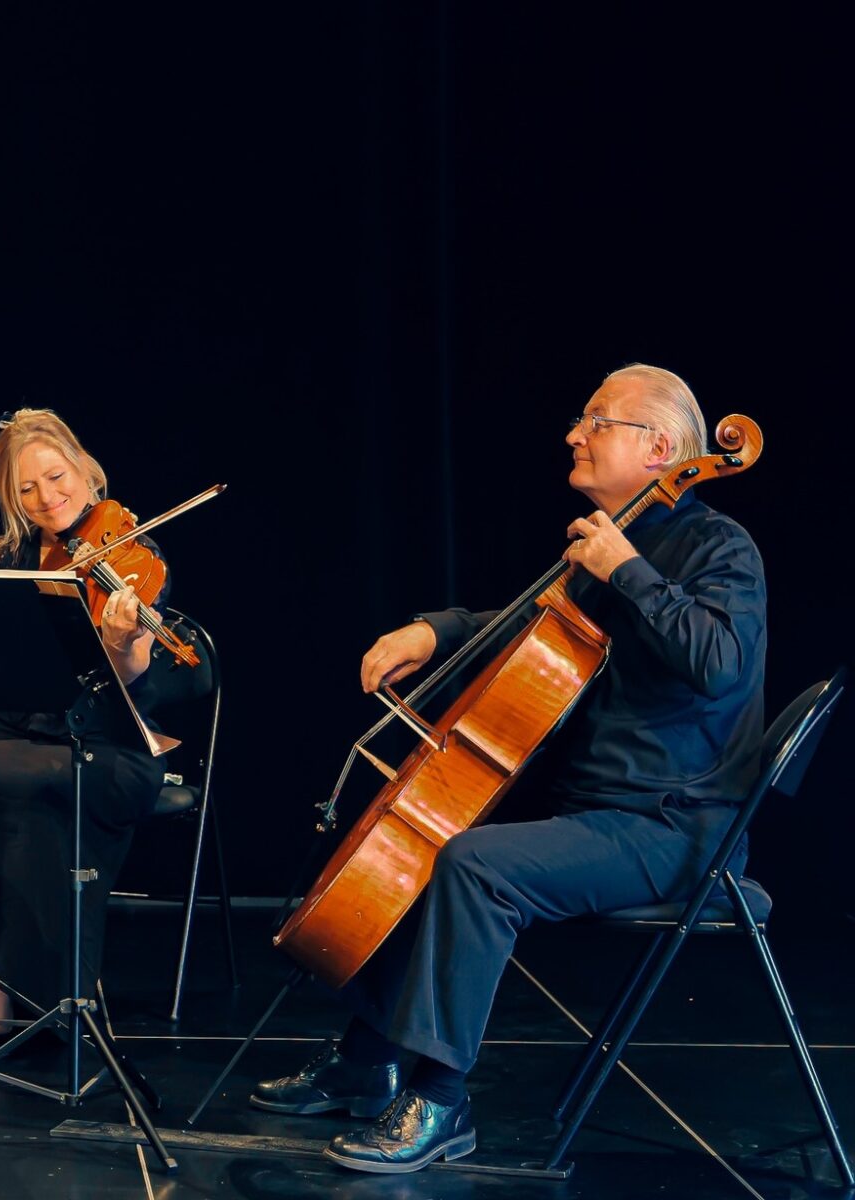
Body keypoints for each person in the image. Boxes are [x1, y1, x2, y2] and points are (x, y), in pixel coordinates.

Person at [251, 364, 767, 1173]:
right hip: (603, 814)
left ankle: (443, 1099)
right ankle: (366, 1060)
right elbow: (531, 619)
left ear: (661, 448)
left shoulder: (717, 546)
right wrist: (432, 632)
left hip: (676, 826)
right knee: (437, 841)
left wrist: (627, 570)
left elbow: (722, 664)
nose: (574, 433)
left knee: (479, 867)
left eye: (597, 420)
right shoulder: (613, 543)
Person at [0, 408, 212, 1037]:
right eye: (26, 489)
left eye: (56, 478)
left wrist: (122, 644)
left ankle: (25, 1000)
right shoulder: (13, 551)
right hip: (29, 734)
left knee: (39, 786)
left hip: (114, 744)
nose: (47, 498)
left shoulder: (132, 552)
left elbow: (135, 681)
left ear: (85, 471)